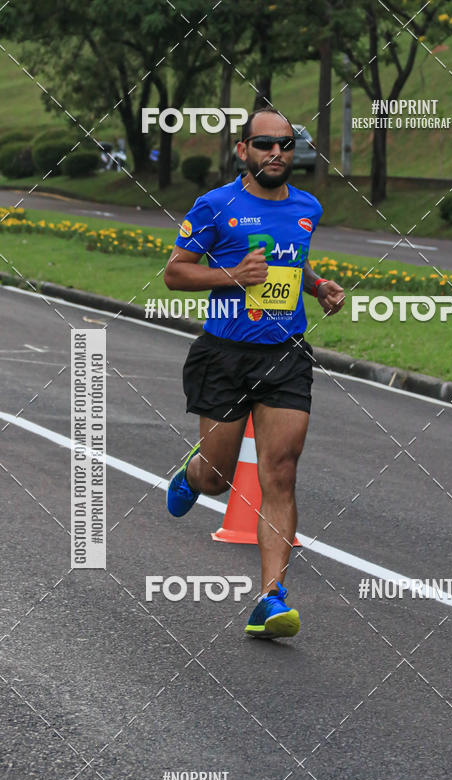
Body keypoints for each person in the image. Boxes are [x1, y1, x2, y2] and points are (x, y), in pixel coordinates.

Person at [164, 108, 344, 638]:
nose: (277, 154)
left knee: (281, 473)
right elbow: (175, 272)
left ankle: (270, 599)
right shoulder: (215, 205)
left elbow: (293, 262)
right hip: (223, 354)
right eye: (265, 144)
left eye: (286, 145)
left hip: (285, 354)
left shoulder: (307, 207)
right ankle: (193, 474)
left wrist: (318, 287)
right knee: (219, 479)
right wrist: (230, 274)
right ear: (243, 150)